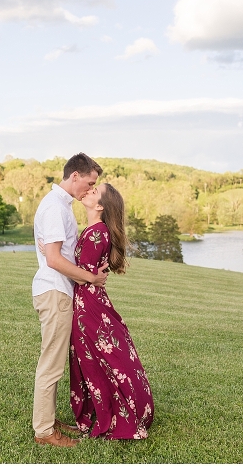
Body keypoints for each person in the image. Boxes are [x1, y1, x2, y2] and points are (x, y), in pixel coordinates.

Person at [58, 183, 154, 439]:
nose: (88, 191)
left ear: (99, 205)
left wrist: (86, 275)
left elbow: (84, 277)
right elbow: (89, 274)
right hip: (89, 300)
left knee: (96, 359)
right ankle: (104, 410)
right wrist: (90, 277)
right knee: (94, 358)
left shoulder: (96, 233)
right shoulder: (92, 230)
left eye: (94, 191)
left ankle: (112, 413)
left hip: (88, 305)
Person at [31, 153, 109, 448]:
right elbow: (53, 259)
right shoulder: (55, 207)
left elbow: (57, 253)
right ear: (74, 176)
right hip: (55, 292)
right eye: (89, 182)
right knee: (51, 365)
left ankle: (48, 420)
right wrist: (91, 278)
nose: (89, 189)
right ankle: (44, 432)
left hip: (58, 291)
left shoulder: (59, 206)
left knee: (53, 362)